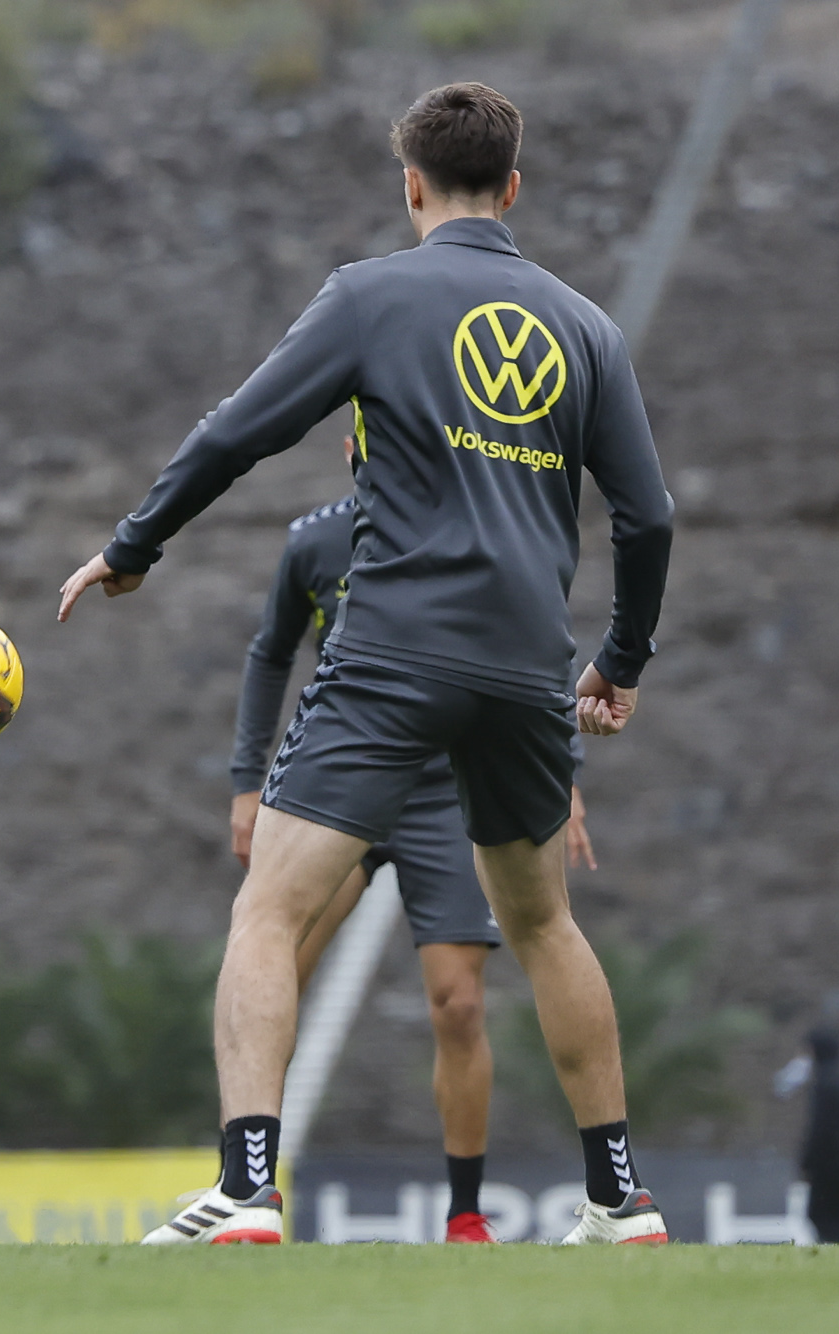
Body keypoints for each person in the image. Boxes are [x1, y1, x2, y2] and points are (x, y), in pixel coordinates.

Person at [58, 83, 675, 1245]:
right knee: (543, 924)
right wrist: (618, 659)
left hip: (392, 645)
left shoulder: (369, 295)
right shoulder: (584, 327)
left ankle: (245, 1186)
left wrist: (131, 546)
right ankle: (618, 1196)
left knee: (266, 911)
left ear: (409, 187)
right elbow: (646, 517)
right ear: (513, 187)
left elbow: (237, 430)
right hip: (525, 663)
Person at [231, 441, 599, 1244]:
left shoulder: (480, 540)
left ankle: (465, 1213)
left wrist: (561, 775)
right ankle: (246, 1182)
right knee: (270, 966)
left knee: (459, 1006)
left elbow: (535, 651)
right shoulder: (314, 542)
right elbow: (268, 657)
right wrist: (245, 780)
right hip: (347, 787)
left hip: (446, 795)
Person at [797, 1027, 839, 1243]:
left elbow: (822, 1129)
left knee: (823, 1217)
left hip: (829, 1163)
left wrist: (808, 1161)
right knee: (836, 1218)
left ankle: (836, 1256)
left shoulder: (825, 1085)